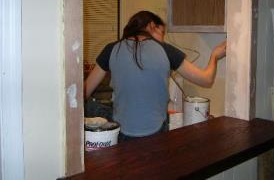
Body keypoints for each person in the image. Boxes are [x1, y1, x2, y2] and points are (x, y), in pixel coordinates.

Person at [84, 10, 226, 143]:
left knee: (95, 107)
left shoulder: (111, 49)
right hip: (156, 134)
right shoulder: (165, 50)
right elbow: (206, 80)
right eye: (162, 32)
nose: (162, 38)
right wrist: (214, 56)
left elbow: (84, 92)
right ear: (152, 25)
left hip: (122, 133)